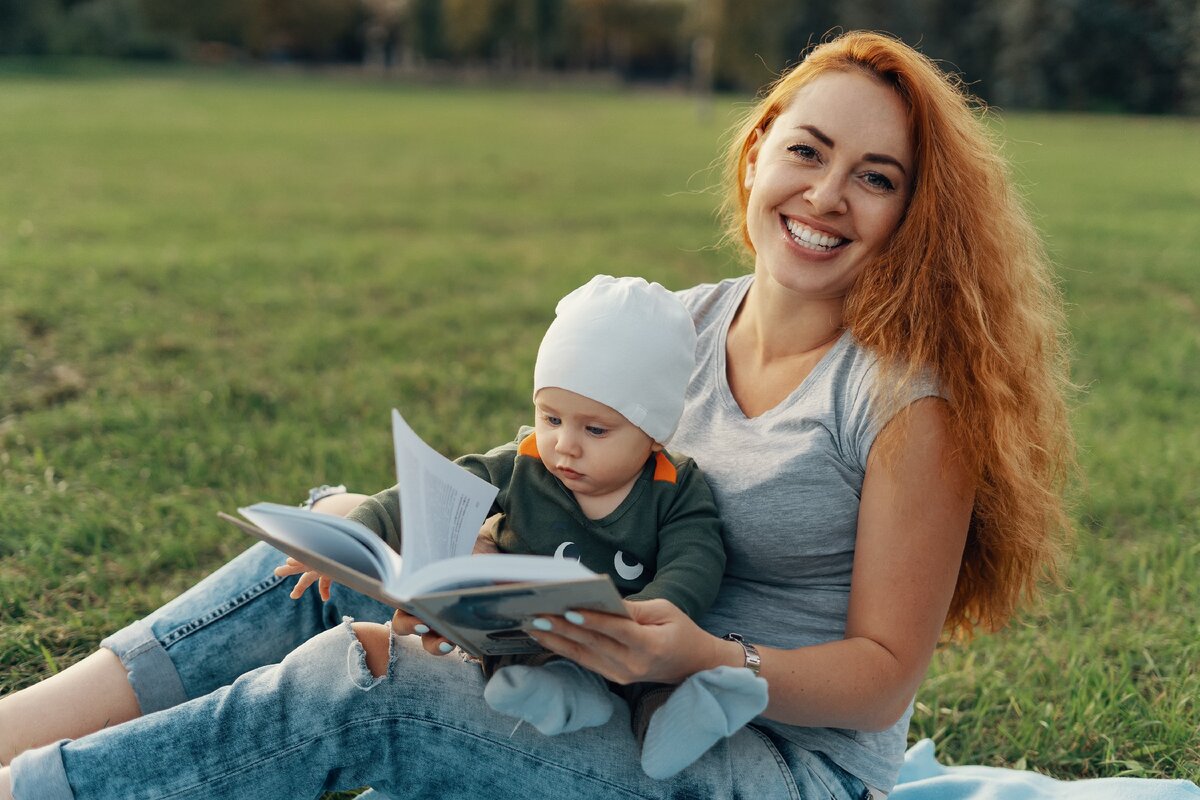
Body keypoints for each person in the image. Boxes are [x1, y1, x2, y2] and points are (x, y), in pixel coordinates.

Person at [0, 30, 1072, 800]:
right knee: (321, 551)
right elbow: (561, 477)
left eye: (875, 178)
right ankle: (16, 733)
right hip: (596, 677)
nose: (828, 194)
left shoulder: (903, 402)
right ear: (756, 155)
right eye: (808, 151)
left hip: (772, 759)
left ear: (910, 216)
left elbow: (883, 678)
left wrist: (701, 657)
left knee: (369, 682)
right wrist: (441, 553)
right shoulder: (680, 326)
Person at [284, 274, 758, 779]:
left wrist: (646, 617)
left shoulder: (674, 486)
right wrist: (348, 539)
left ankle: (679, 722)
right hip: (533, 640)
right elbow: (429, 495)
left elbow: (697, 559)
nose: (565, 445)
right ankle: (558, 693)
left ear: (656, 435)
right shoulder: (524, 461)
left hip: (629, 642)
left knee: (661, 680)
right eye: (551, 418)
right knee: (517, 661)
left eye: (595, 429)